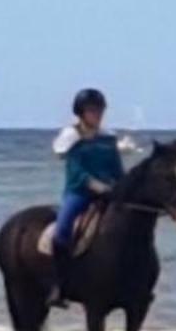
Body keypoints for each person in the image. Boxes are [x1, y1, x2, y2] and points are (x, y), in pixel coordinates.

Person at [50, 89, 123, 306]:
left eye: (100, 110)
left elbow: (116, 168)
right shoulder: (72, 137)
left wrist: (122, 186)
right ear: (81, 113)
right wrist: (94, 185)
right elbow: (76, 170)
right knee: (61, 231)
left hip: (109, 193)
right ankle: (60, 286)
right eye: (92, 110)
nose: (98, 115)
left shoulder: (108, 138)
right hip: (79, 193)